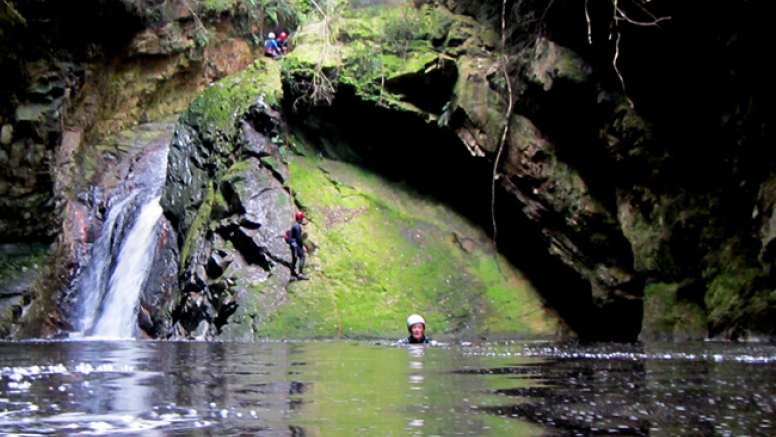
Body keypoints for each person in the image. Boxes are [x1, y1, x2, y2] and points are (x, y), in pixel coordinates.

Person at [288, 210, 309, 280]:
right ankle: (300, 274)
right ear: (300, 219)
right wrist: (302, 246)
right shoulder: (297, 227)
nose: (303, 219)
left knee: (294, 259)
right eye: (302, 218)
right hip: (295, 244)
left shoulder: (294, 225)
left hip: (292, 244)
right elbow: (299, 238)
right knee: (302, 257)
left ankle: (292, 275)